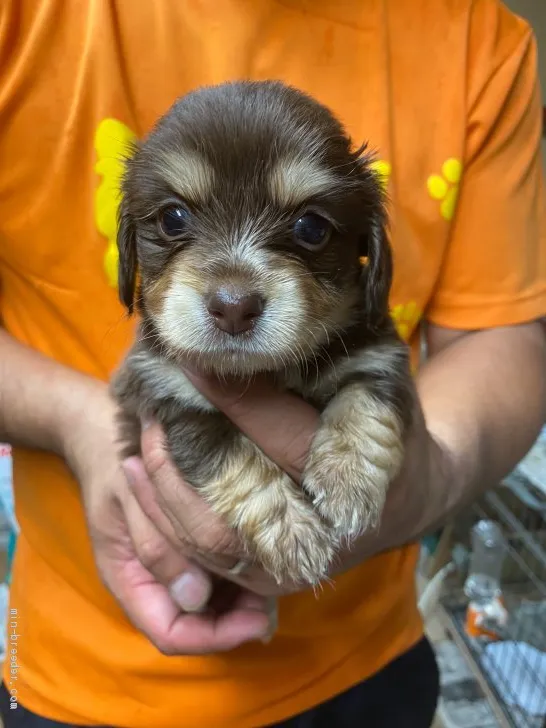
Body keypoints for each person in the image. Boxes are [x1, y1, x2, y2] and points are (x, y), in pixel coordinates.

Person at [0, 0, 545, 726]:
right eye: (174, 222)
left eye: (310, 227)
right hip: (89, 674)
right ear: (132, 248)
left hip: (367, 658)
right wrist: (77, 422)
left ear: (368, 259)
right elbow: (158, 411)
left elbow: (495, 336)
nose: (233, 293)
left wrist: (426, 475)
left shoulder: (483, 40)